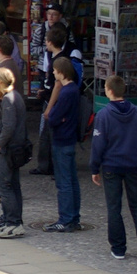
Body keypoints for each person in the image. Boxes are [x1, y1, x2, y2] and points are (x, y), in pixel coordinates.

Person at [91, 74, 137, 260]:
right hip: (134, 164)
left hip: (111, 165)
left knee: (114, 207)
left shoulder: (104, 115)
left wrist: (94, 167)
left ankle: (118, 247)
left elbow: (98, 144)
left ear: (109, 91)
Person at [34, 21, 82, 176]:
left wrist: (49, 107)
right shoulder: (53, 56)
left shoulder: (60, 60)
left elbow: (57, 86)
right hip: (49, 96)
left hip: (53, 101)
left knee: (50, 133)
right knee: (46, 135)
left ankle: (53, 167)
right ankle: (47, 165)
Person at [43, 56, 83, 233]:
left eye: (54, 70)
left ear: (61, 72)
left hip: (62, 139)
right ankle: (73, 217)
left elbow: (53, 118)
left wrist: (54, 117)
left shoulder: (66, 92)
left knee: (64, 182)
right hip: (69, 138)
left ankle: (66, 218)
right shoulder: (74, 89)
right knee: (71, 180)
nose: (52, 72)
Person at [0, 67, 28, 237]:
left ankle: (13, 223)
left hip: (8, 149)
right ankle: (12, 220)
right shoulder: (17, 96)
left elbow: (8, 127)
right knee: (14, 185)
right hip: (16, 148)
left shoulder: (8, 100)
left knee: (5, 186)